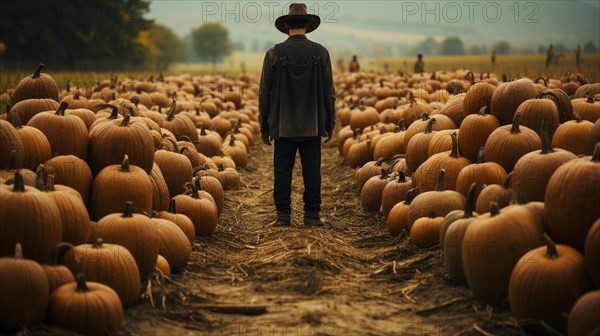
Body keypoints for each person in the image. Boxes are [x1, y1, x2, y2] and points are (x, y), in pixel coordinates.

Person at [259, 3, 336, 227]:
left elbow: (264, 93)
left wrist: (264, 125)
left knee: (282, 171)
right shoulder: (320, 52)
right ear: (307, 25)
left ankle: (283, 216)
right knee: (312, 171)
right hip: (312, 124)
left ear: (287, 26)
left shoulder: (273, 53)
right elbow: (329, 93)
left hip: (283, 126)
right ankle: (312, 216)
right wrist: (329, 123)